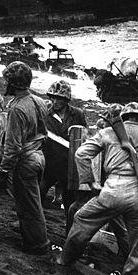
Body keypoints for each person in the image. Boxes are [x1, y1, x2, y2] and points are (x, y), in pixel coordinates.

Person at [60, 102, 138, 275]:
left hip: (112, 188)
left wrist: (91, 182)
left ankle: (65, 261)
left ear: (124, 116)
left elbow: (81, 154)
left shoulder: (107, 132)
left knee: (82, 220)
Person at [0, 62, 51, 254]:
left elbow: (12, 146)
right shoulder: (39, 101)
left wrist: (3, 171)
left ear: (13, 83)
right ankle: (32, 238)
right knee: (32, 201)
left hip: (26, 160)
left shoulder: (17, 109)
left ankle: (37, 244)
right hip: (39, 156)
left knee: (30, 206)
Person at [40, 80, 87, 226]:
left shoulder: (77, 114)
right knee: (38, 194)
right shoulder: (45, 114)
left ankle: (70, 234)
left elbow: (84, 135)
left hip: (69, 165)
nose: (55, 101)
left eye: (59, 98)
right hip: (49, 162)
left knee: (70, 204)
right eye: (53, 97)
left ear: (66, 99)